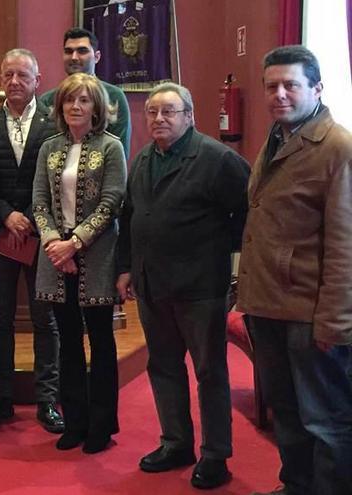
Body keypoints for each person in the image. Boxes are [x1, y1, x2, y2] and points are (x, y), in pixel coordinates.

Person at [116, 83, 249, 489]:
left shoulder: (218, 159)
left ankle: (215, 455)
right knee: (164, 367)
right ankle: (175, 442)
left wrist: (213, 253)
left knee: (209, 372)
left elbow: (245, 217)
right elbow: (131, 217)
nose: (158, 118)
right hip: (152, 285)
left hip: (200, 287)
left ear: (189, 116)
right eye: (152, 112)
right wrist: (126, 268)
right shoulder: (142, 159)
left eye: (169, 112)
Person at [239, 45, 352, 495]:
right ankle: (297, 485)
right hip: (266, 304)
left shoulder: (337, 148)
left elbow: (345, 246)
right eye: (272, 86)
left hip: (310, 315)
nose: (279, 94)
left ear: (317, 88)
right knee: (286, 411)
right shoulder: (277, 137)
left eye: (291, 85)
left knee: (325, 419)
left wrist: (335, 321)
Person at [31, 73, 125, 454]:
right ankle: (74, 421)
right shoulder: (49, 147)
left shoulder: (111, 146)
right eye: (70, 100)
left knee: (101, 342)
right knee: (68, 342)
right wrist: (55, 242)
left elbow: (113, 200)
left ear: (96, 107)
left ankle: (101, 425)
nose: (75, 106)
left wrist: (76, 244)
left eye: (84, 100)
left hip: (97, 254)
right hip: (55, 256)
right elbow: (38, 201)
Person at [0, 48, 64, 432]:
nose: (14, 82)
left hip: (42, 234)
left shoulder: (53, 125)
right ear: (0, 78)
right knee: (1, 318)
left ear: (37, 81)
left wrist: (28, 217)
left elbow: (56, 178)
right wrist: (6, 215)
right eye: (8, 75)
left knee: (46, 319)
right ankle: (2, 396)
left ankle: (48, 399)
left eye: (22, 76)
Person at [39, 27, 131, 158]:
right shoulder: (48, 100)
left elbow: (120, 155)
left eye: (82, 51)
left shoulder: (114, 97)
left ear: (97, 57)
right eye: (68, 52)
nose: (74, 57)